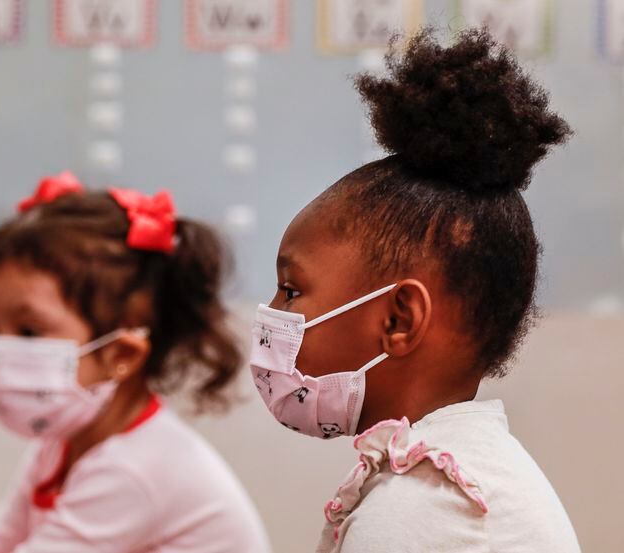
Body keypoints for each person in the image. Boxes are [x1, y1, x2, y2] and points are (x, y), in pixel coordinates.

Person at [248, 30, 581, 552]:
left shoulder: (427, 512)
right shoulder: (445, 477)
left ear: (399, 320)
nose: (271, 314)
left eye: (291, 291)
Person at [0, 171, 270, 553]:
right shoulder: (60, 444)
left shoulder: (134, 470)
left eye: (29, 332)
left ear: (121, 355)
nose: (2, 350)